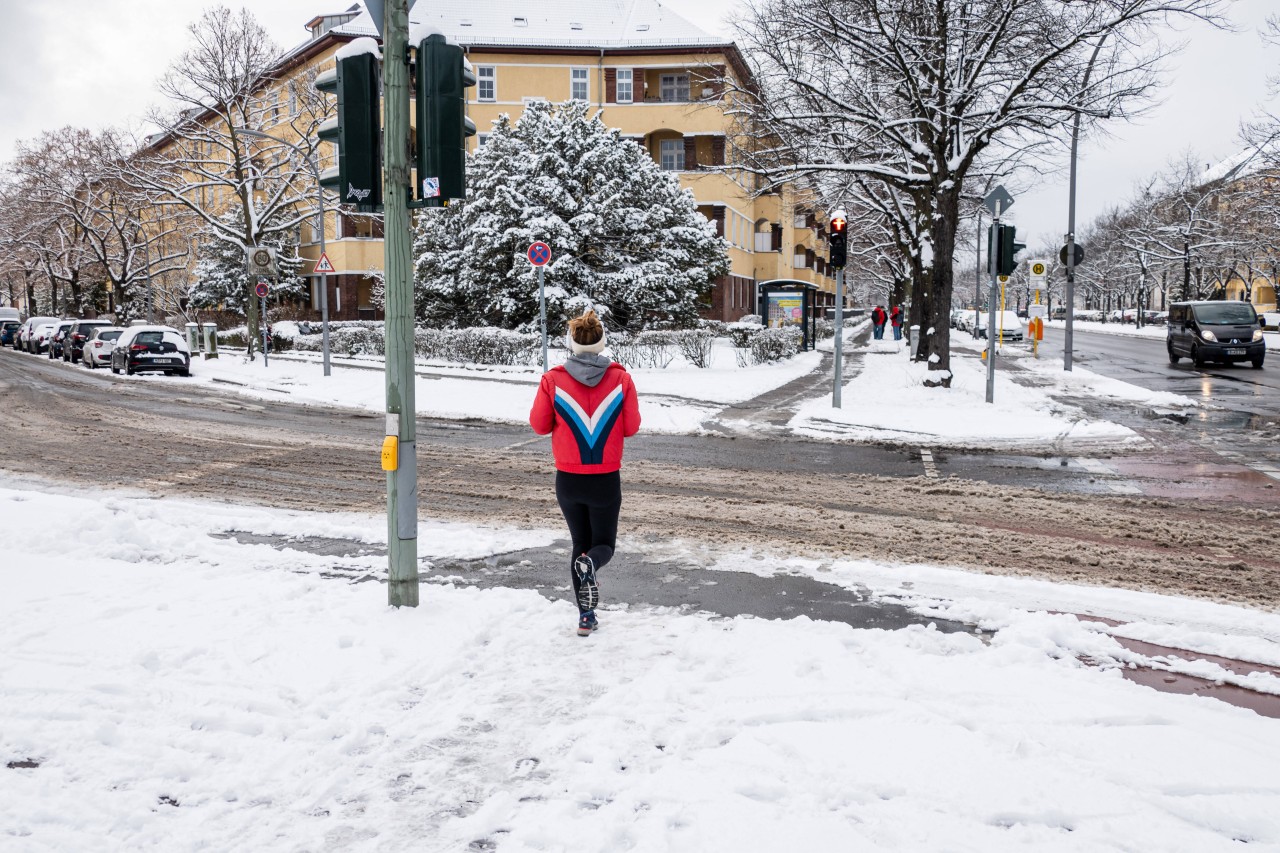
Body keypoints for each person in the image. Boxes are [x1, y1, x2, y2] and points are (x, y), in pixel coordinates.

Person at [529, 310, 641, 636]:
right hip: (605, 478)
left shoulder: (553, 380)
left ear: (571, 343)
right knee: (602, 544)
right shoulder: (621, 380)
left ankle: (585, 618)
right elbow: (631, 427)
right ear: (601, 343)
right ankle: (591, 565)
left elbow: (538, 425)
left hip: (568, 479)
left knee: (580, 543)